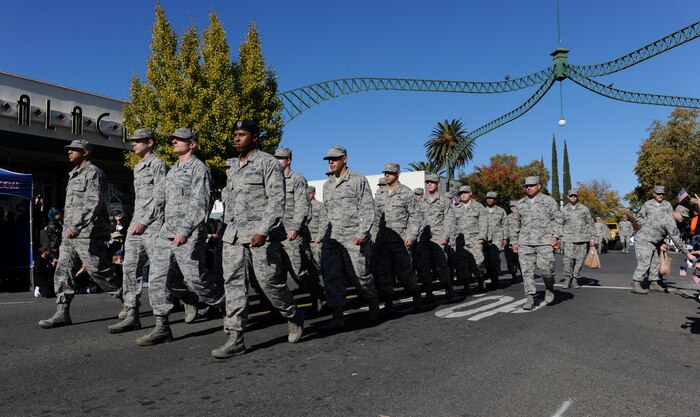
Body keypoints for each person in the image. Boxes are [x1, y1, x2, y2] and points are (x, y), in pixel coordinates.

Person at [212, 120, 304, 359]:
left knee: (269, 284)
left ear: (254, 137)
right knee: (233, 284)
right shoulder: (233, 168)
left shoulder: (267, 163)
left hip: (260, 236)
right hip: (233, 236)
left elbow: (276, 200)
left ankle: (293, 315)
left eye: (242, 134)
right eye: (234, 134)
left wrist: (263, 230)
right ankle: (236, 337)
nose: (236, 138)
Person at [136, 128, 225, 346]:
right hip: (167, 232)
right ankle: (162, 326)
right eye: (173, 138)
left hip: (189, 233)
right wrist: (145, 221)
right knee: (157, 277)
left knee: (195, 278)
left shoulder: (198, 169)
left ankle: (224, 305)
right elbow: (160, 201)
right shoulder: (173, 171)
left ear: (192, 144)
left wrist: (184, 230)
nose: (174, 141)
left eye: (179, 139)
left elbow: (200, 204)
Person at [38, 139, 122, 329]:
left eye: (74, 150)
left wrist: (76, 226)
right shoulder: (73, 175)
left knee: (97, 270)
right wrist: (68, 228)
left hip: (88, 232)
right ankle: (62, 312)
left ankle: (127, 299)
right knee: (63, 270)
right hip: (70, 233)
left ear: (85, 152)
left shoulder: (93, 173)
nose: (69, 152)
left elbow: (94, 203)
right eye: (68, 150)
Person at [108, 129, 168, 334]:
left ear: (150, 142)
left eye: (137, 141)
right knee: (130, 268)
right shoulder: (138, 167)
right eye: (132, 141)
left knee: (162, 272)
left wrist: (144, 221)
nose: (133, 144)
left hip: (152, 225)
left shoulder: (158, 165)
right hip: (136, 224)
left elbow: (160, 197)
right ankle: (132, 313)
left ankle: (187, 300)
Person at [318, 145, 380, 330]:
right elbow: (325, 213)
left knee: (360, 276)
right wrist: (321, 235)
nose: (331, 162)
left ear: (345, 159)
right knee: (332, 277)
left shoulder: (358, 180)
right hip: (333, 239)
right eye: (329, 159)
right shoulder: (326, 185)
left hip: (353, 237)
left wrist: (362, 233)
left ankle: (373, 298)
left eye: (335, 158)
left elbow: (368, 210)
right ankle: (338, 316)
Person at [274, 147, 324, 313]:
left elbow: (303, 206)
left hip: (292, 233)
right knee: (275, 272)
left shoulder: (297, 179)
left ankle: (316, 293)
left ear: (288, 160)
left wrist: (295, 228)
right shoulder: (271, 180)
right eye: (275, 158)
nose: (277, 161)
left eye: (281, 158)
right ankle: (280, 307)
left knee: (298, 271)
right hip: (275, 233)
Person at [372, 162, 423, 315]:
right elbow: (375, 218)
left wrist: (411, 236)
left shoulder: (406, 193)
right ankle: (389, 304)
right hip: (381, 241)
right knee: (383, 273)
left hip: (400, 241)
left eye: (390, 173)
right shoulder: (379, 194)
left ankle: (415, 292)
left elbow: (415, 216)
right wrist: (373, 236)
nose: (387, 175)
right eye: (385, 173)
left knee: (404, 273)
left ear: (398, 174)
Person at [511, 175, 562, 310]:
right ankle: (529, 297)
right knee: (527, 271)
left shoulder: (548, 201)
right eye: (526, 186)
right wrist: (514, 241)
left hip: (544, 241)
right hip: (525, 242)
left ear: (539, 186)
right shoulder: (520, 204)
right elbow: (515, 224)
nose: (528, 188)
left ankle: (549, 287)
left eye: (531, 185)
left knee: (547, 269)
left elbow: (557, 219)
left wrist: (555, 235)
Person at [631, 206, 696, 294]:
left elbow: (657, 229)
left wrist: (660, 243)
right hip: (644, 241)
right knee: (645, 262)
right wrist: (688, 254)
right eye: (682, 216)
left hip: (652, 242)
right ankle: (636, 284)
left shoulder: (664, 215)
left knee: (655, 263)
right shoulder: (670, 222)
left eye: (685, 217)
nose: (683, 218)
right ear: (676, 212)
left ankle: (653, 283)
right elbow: (676, 239)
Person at [414, 173, 455, 301]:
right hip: (423, 238)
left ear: (438, 184)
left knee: (441, 265)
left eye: (432, 182)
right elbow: (416, 219)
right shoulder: (421, 202)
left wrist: (446, 236)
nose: (429, 184)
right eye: (427, 182)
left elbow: (449, 220)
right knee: (424, 265)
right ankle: (428, 292)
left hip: (438, 237)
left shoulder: (443, 201)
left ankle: (449, 287)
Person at [452, 185, 487, 294]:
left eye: (465, 192)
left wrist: (482, 237)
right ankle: (466, 286)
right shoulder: (456, 208)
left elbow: (483, 223)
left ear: (470, 193)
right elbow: (453, 224)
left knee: (478, 262)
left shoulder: (478, 206)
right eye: (461, 193)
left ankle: (481, 280)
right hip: (461, 241)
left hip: (475, 239)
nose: (463, 194)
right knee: (463, 264)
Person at [561, 190, 595, 289]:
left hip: (582, 238)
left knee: (579, 261)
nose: (573, 197)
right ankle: (568, 278)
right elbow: (559, 224)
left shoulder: (584, 209)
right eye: (571, 196)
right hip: (568, 239)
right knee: (568, 260)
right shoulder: (564, 210)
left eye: (575, 196)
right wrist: (558, 236)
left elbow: (590, 223)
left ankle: (575, 279)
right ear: (568, 197)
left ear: (577, 197)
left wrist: (592, 237)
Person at [483, 191, 507, 290]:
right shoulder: (482, 211)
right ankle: (489, 277)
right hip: (485, 238)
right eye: (488, 198)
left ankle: (495, 280)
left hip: (497, 238)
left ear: (495, 200)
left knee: (494, 258)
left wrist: (505, 238)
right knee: (486, 260)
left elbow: (505, 225)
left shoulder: (501, 211)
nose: (489, 199)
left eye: (491, 198)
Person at [307, 185, 326, 296]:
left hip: (316, 240)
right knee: (311, 267)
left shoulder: (319, 206)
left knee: (321, 264)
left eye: (309, 193)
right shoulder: (303, 206)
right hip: (307, 240)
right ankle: (317, 287)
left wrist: (320, 236)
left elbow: (324, 222)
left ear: (313, 194)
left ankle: (329, 285)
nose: (307, 195)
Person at [504, 201, 521, 283]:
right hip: (510, 242)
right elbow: (505, 228)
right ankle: (514, 276)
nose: (512, 208)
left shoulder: (522, 216)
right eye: (511, 206)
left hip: (520, 242)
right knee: (510, 261)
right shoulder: (508, 217)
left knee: (520, 261)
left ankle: (523, 276)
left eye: (514, 206)